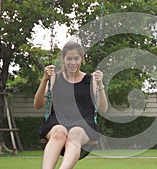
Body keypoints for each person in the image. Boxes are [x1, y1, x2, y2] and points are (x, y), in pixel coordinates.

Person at [34, 41, 108, 169]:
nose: (72, 62)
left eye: (76, 58)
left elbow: (103, 109)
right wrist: (44, 80)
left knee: (75, 133)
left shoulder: (90, 81)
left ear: (82, 59)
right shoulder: (55, 78)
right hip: (58, 121)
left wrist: (100, 85)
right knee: (58, 131)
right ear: (63, 59)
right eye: (69, 58)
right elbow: (38, 105)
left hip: (84, 123)